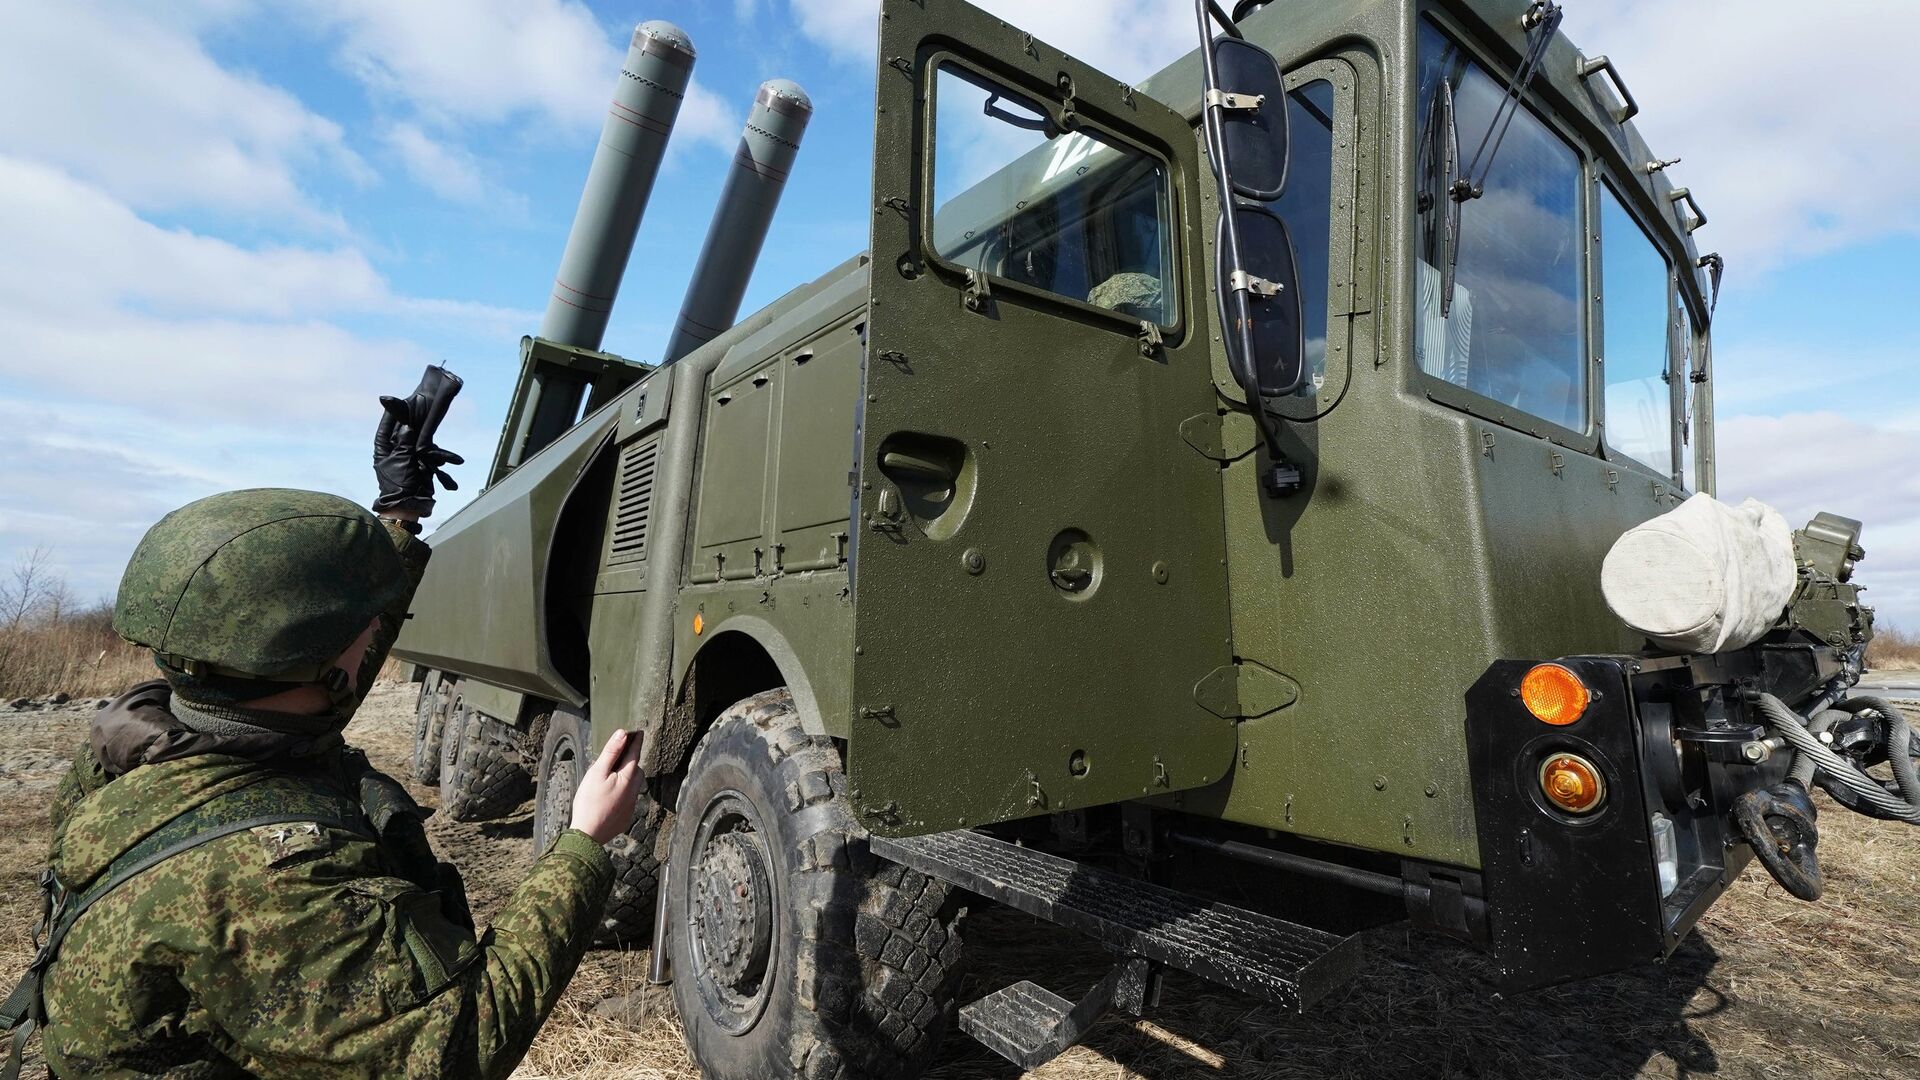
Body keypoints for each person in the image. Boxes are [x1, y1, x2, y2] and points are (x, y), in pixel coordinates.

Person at [1, 383, 644, 1078]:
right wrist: (584, 844)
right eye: (363, 624)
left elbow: (323, 673)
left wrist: (399, 516)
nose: (377, 633)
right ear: (319, 664)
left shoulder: (141, 745)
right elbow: (461, 1040)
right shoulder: (275, 887)